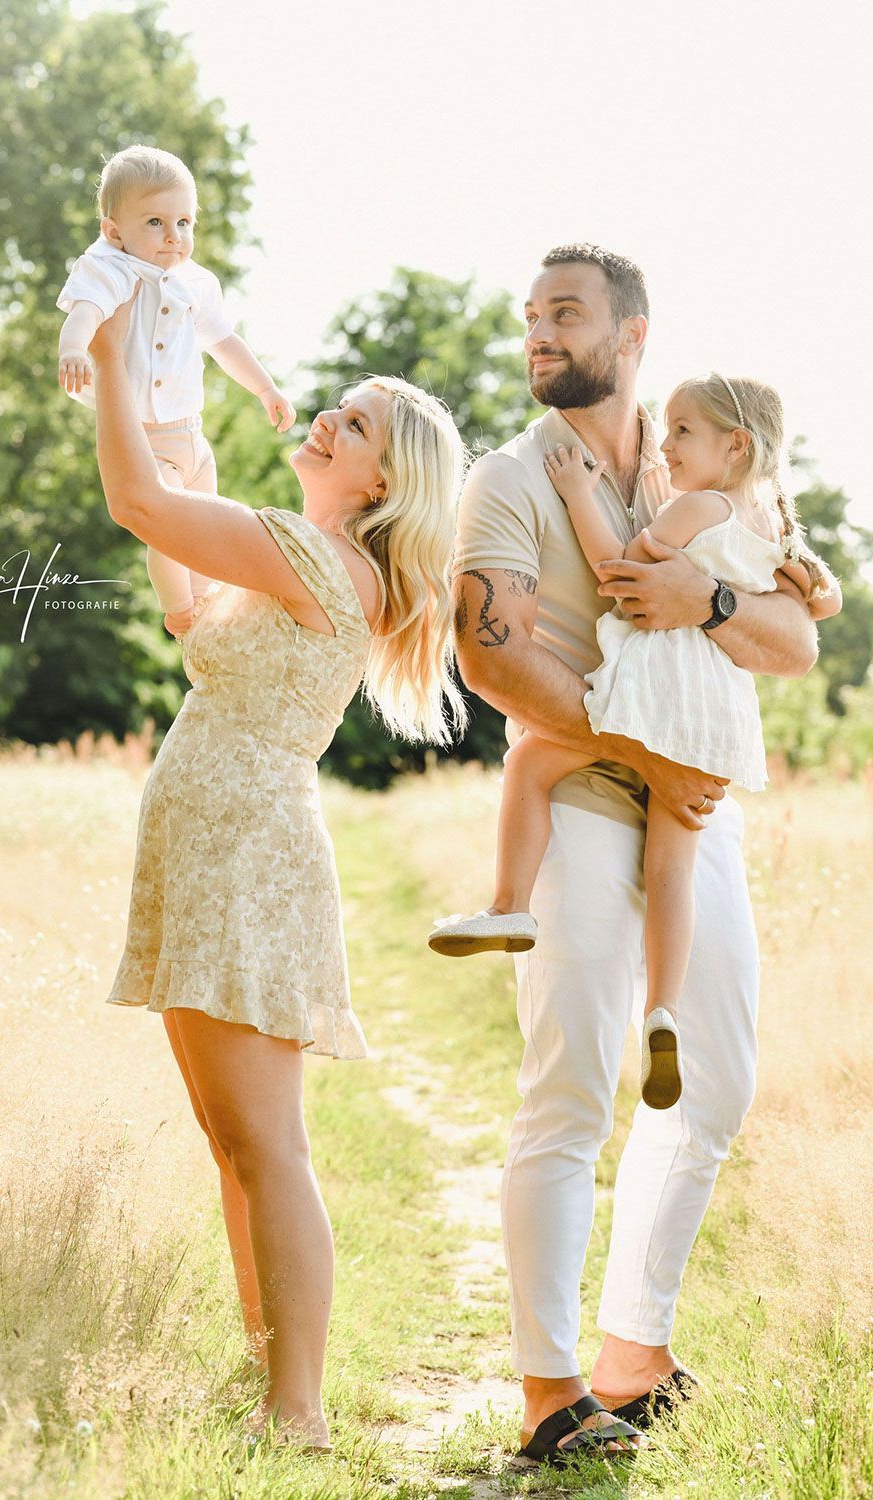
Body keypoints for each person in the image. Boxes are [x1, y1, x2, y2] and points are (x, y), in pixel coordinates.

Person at [450, 244, 835, 1471]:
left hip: (692, 808)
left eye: (565, 313)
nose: (539, 332)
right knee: (570, 1089)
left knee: (713, 1081)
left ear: (631, 334)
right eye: (530, 315)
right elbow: (490, 656)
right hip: (582, 798)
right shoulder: (511, 476)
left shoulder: (701, 463)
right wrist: (640, 750)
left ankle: (632, 1352)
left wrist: (710, 605)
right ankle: (548, 1390)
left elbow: (792, 642)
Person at [86, 289, 466, 1453]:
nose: (327, 423)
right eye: (336, 411)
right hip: (213, 846)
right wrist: (187, 464)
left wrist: (108, 356)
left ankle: (297, 1411)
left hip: (245, 852)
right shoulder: (301, 560)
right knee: (234, 1145)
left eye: (354, 425)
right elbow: (188, 618)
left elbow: (134, 502)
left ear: (382, 480)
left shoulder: (313, 554)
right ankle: (269, 1387)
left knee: (269, 1146)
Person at [431, 373, 839, 1113]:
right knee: (672, 868)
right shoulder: (773, 519)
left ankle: (508, 904)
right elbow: (820, 600)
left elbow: (621, 570)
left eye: (684, 431)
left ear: (734, 446)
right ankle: (663, 1012)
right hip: (713, 717)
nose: (668, 443)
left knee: (528, 761)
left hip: (653, 698)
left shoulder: (698, 506)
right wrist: (805, 585)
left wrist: (578, 493)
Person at [56, 143, 296, 636]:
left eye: (184, 222)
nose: (173, 236)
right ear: (113, 231)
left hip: (193, 434)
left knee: (205, 527)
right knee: (167, 524)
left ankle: (205, 600)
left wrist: (266, 388)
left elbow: (224, 341)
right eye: (155, 222)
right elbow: (84, 313)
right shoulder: (110, 269)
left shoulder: (196, 282)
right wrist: (73, 350)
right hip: (146, 437)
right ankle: (178, 608)